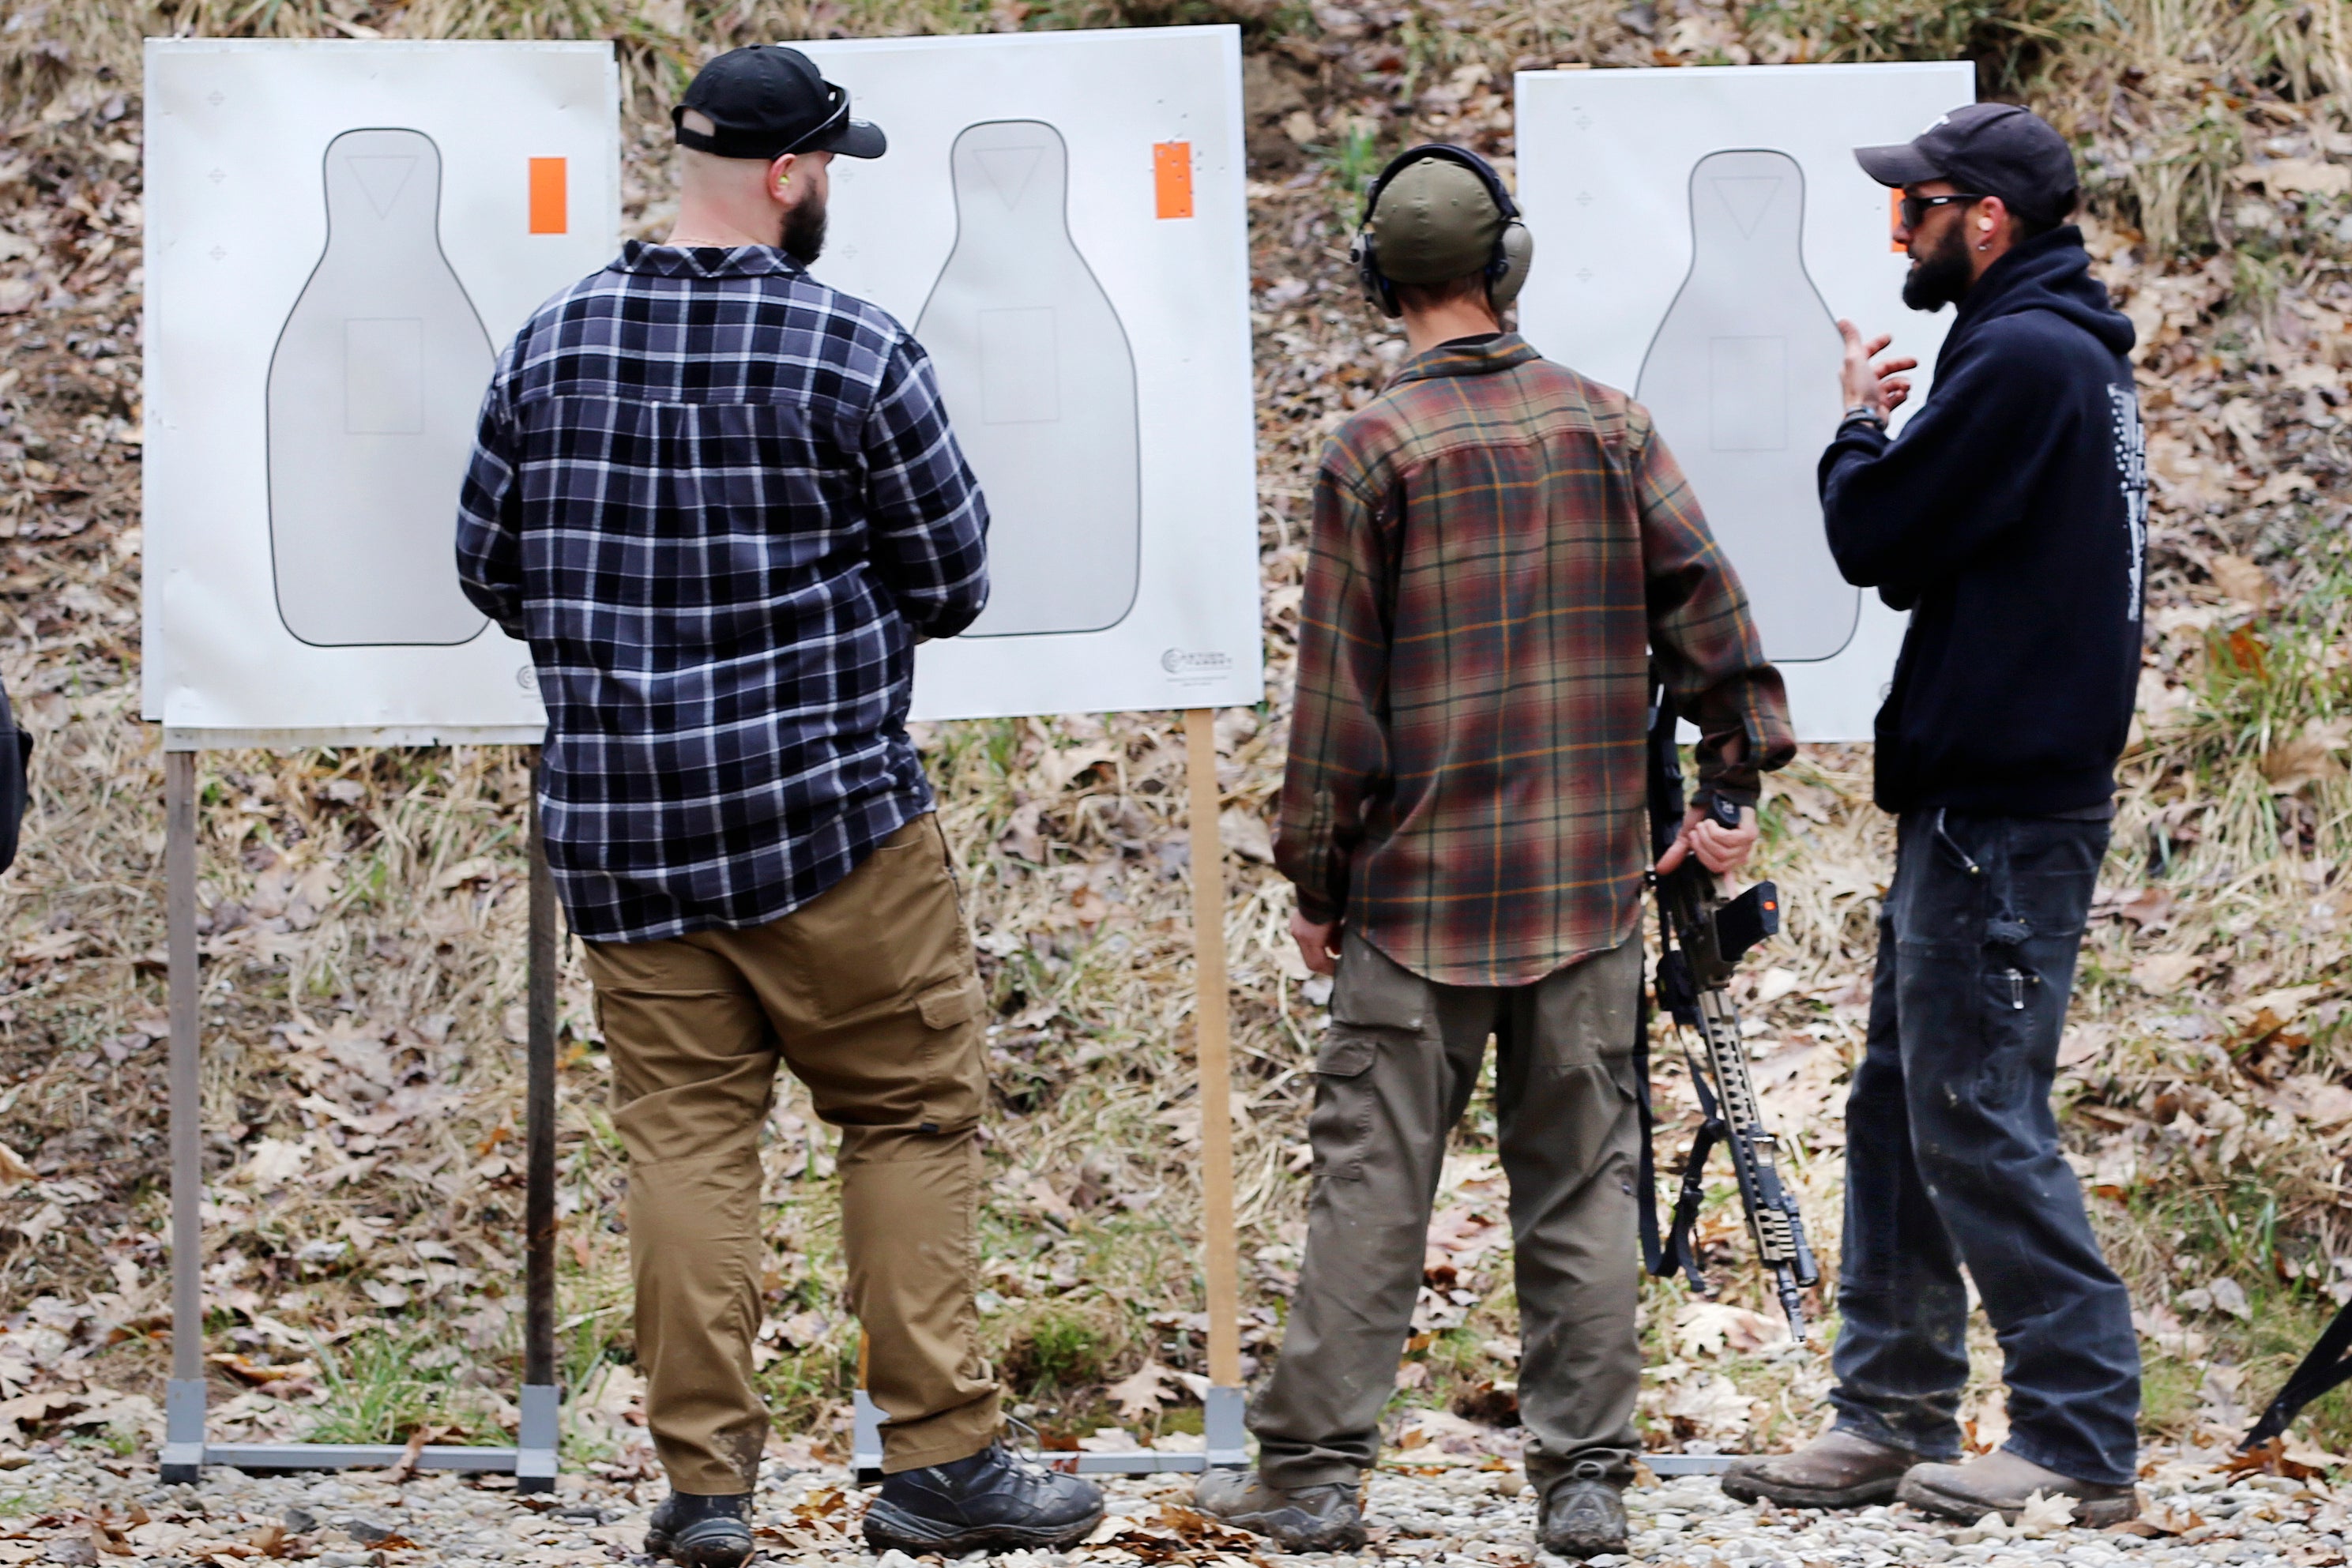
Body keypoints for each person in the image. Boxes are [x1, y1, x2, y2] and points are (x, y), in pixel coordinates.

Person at [454, 45, 1102, 1568]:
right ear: (795, 173)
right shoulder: (851, 352)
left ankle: (704, 1492)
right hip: (830, 827)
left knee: (685, 1144)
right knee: (905, 1113)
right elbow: (950, 577)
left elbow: (490, 568)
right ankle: (939, 1459)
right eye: (834, 169)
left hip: (625, 836)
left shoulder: (549, 347)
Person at [1194, 145, 1794, 1561]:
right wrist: (1725, 779)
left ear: (1375, 282)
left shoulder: (1371, 452)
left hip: (1411, 903)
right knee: (1581, 1187)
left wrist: (1315, 877)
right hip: (1584, 894)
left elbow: (1332, 704)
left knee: (1370, 1189)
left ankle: (1316, 1481)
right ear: (1505, 265)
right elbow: (1715, 624)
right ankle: (1582, 1483)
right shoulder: (1610, 426)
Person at [1720, 103, 2147, 1528]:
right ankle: (1888, 1410)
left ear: (1987, 221)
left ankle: (2078, 1431)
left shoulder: (2023, 355)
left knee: (1972, 1108)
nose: (1893, 226)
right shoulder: (2041, 350)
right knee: (1902, 1106)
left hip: (2004, 808)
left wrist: (1858, 423)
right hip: (1989, 794)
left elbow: (1876, 537)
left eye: (1916, 204)